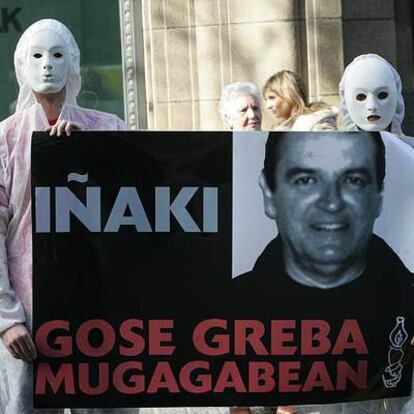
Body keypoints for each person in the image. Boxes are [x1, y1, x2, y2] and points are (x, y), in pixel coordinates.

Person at [0, 19, 136, 414]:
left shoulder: (109, 129)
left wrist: (92, 155)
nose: (47, 65)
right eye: (37, 55)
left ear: (73, 63)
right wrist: (7, 318)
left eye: (57, 54)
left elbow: (143, 211)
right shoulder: (6, 140)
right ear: (21, 65)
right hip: (29, 310)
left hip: (101, 309)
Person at [233, 132, 414, 412]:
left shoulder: (405, 299)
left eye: (353, 180)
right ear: (270, 195)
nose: (331, 203)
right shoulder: (234, 310)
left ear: (378, 197)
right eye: (306, 181)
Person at [339, 53, 414, 148]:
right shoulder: (333, 158)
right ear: (346, 102)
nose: (372, 106)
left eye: (382, 95)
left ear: (397, 98)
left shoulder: (410, 152)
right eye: (361, 96)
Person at [262, 70, 337, 131]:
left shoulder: (317, 122)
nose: (268, 106)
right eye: (266, 100)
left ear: (289, 94)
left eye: (272, 98)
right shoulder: (278, 128)